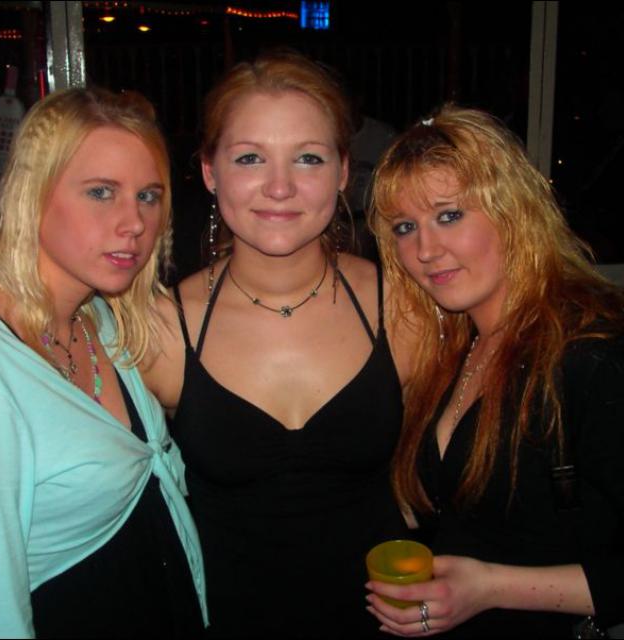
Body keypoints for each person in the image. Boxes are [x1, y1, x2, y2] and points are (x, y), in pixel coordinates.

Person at [141, 51, 416, 638]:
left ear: (343, 171)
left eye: (308, 157)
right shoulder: (162, 327)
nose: (280, 187)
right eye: (249, 158)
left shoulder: (402, 306)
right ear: (210, 172)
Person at [366, 104, 624, 637]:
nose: (425, 250)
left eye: (449, 216)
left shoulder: (593, 354)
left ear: (512, 211)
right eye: (406, 227)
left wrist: (488, 588)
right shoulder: (453, 345)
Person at [0, 87, 208, 638]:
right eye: (101, 192)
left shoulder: (102, 319)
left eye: (148, 196)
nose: (134, 222)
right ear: (33, 194)